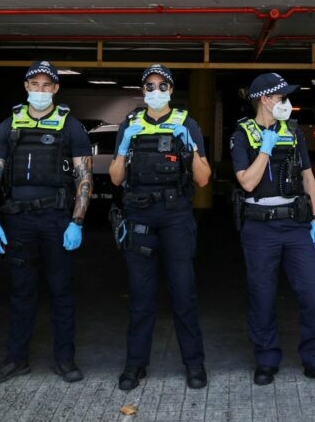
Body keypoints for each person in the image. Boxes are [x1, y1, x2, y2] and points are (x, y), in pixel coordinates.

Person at [0, 60, 93, 384]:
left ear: (56, 89)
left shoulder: (70, 126)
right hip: (17, 220)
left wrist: (77, 221)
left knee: (61, 291)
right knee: (20, 291)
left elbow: (84, 177)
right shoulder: (9, 125)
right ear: (27, 87)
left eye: (48, 86)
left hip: (56, 219)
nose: (41, 91)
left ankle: (65, 360)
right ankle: (16, 359)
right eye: (36, 85)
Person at [229, 72, 315, 387]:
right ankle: (266, 360)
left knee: (314, 292)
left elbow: (308, 177)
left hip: (295, 225)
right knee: (262, 296)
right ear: (265, 99)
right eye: (282, 98)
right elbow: (247, 181)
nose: (287, 104)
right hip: (260, 227)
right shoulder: (241, 134)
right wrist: (265, 148)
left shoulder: (293, 132)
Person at [108, 64, 211, 391]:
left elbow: (203, 178)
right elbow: (115, 178)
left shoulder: (186, 123)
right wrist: (123, 148)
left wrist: (190, 148)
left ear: (170, 89)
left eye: (161, 85)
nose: (154, 91)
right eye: (149, 86)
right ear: (142, 90)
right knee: (141, 296)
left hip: (175, 215)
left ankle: (194, 365)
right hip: (139, 215)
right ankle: (134, 365)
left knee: (183, 293)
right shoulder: (130, 124)